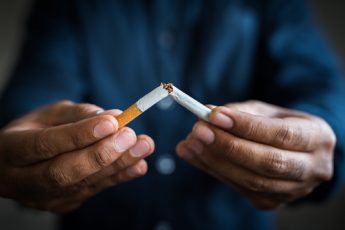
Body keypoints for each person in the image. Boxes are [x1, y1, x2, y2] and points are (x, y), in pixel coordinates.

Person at [0, 0, 345, 229]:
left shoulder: (273, 5)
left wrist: (317, 133)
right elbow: (29, 104)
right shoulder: (68, 6)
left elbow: (322, 91)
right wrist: (25, 152)